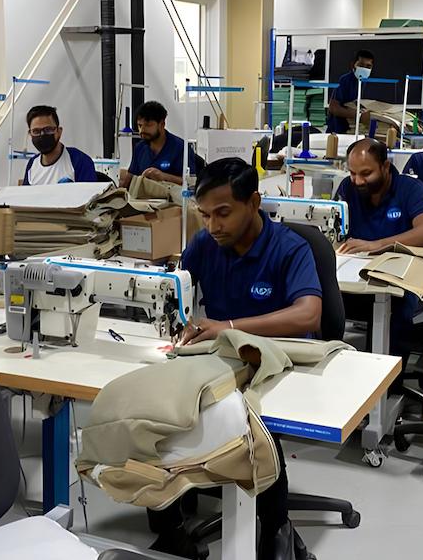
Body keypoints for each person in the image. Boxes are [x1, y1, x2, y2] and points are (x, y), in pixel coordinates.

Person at [148, 157, 322, 560]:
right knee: (158, 410)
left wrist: (228, 325)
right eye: (205, 215)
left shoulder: (289, 248)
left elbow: (309, 314)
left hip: (280, 361)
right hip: (221, 357)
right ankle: (168, 527)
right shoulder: (205, 245)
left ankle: (276, 528)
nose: (213, 226)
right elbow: (176, 292)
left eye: (223, 213)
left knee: (254, 424)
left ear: (254, 202)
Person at [336, 138, 423, 368]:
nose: (358, 181)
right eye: (352, 173)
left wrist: (377, 244)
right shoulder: (347, 188)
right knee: (319, 301)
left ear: (385, 166)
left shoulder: (411, 189)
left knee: (394, 313)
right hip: (358, 278)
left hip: (402, 285)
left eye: (366, 173)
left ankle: (388, 387)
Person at [119, 101, 192, 189]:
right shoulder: (140, 147)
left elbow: (191, 183)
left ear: (162, 124)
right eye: (140, 125)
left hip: (172, 200)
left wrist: (163, 177)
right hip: (143, 200)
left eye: (148, 125)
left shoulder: (180, 148)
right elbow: (130, 178)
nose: (142, 130)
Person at [23, 105, 96, 185]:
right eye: (36, 131)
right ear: (30, 134)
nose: (42, 135)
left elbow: (89, 196)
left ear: (59, 131)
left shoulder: (79, 161)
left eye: (48, 129)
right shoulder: (32, 164)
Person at [326, 49, 375, 134]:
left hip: (360, 131)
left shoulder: (371, 82)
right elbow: (333, 107)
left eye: (368, 66)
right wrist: (358, 115)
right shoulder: (345, 80)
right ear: (353, 65)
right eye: (361, 65)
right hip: (339, 131)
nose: (364, 69)